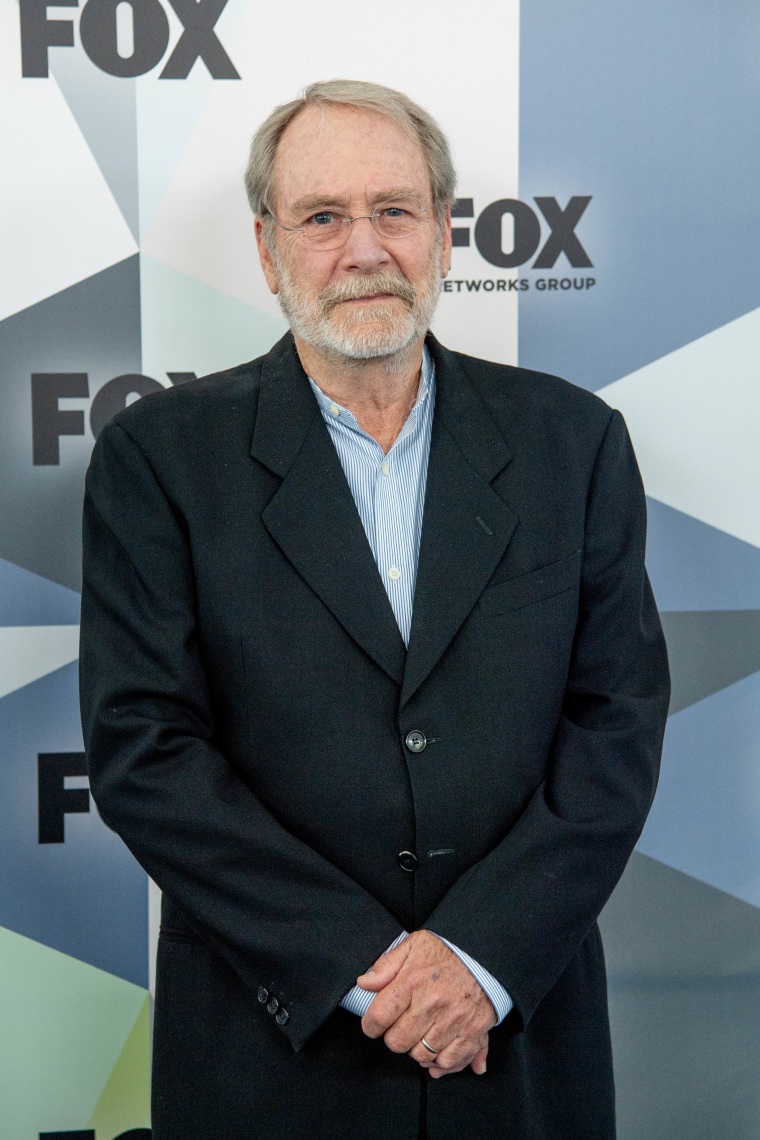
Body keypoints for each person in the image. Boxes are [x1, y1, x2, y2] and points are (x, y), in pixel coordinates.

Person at [80, 79, 670, 1139]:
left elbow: (614, 723)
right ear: (267, 251)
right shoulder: (160, 459)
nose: (363, 249)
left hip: (513, 1036)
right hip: (275, 1043)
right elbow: (145, 748)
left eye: (394, 211)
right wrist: (367, 971)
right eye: (322, 217)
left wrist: (478, 962)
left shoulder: (571, 444)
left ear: (445, 235)